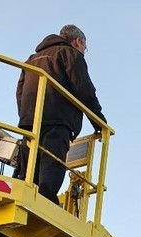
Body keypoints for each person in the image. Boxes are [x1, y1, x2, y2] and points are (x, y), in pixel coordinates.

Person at [15, 25, 106, 204]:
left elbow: (19, 91)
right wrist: (99, 122)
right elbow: (84, 89)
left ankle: (26, 195)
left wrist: (26, 116)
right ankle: (46, 201)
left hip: (30, 121)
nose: (84, 51)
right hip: (58, 120)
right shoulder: (70, 54)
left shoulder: (31, 59)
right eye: (85, 47)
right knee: (52, 162)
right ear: (78, 41)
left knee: (29, 166)